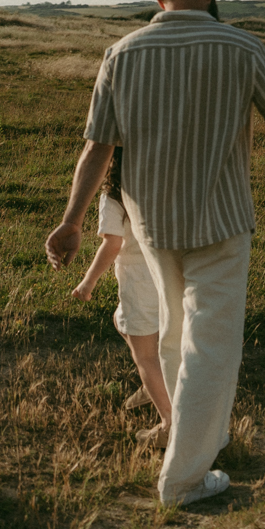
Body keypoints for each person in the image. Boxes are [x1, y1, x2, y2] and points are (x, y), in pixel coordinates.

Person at [46, 0, 265, 507]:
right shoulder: (241, 46)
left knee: (175, 333)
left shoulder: (122, 52)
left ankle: (198, 439)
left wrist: (70, 222)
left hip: (153, 225)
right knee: (211, 345)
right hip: (221, 221)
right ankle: (184, 479)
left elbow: (97, 148)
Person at [67, 146, 173, 446]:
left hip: (139, 285)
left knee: (146, 357)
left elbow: (112, 244)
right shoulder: (162, 190)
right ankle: (152, 386)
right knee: (121, 321)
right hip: (167, 278)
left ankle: (169, 424)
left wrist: (88, 282)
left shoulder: (113, 198)